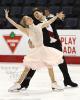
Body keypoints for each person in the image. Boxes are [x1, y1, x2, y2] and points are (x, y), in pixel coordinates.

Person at [4, 9, 64, 92]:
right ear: (26, 23)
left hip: (43, 49)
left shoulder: (39, 25)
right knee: (27, 68)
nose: (29, 18)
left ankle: (54, 83)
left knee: (50, 66)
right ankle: (17, 84)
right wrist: (7, 17)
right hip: (35, 51)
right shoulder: (27, 30)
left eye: (29, 17)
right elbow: (15, 24)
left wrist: (56, 16)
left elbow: (49, 22)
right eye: (27, 19)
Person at [20, 8, 78, 90]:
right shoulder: (36, 24)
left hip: (56, 44)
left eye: (37, 13)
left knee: (62, 62)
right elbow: (32, 33)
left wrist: (61, 18)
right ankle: (25, 83)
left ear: (41, 12)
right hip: (46, 46)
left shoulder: (50, 19)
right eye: (34, 15)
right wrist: (29, 41)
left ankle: (67, 80)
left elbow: (61, 24)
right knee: (35, 63)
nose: (35, 15)